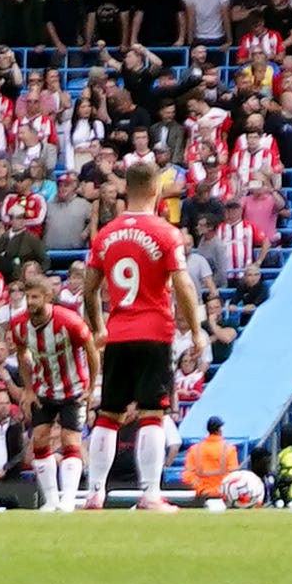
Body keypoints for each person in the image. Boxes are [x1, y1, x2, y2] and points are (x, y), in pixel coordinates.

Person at [87, 159, 200, 509]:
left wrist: (99, 329)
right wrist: (196, 329)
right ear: (156, 189)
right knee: (153, 413)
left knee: (109, 415)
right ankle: (150, 494)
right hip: (154, 332)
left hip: (118, 333)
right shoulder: (166, 233)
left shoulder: (105, 235)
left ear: (125, 188)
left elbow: (89, 289)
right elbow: (181, 283)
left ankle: (94, 494)